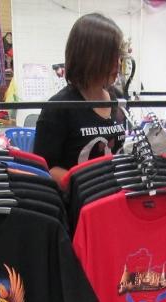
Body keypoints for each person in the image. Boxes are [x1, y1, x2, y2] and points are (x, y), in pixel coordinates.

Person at [33, 13, 126, 188]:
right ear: (92, 57)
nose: (118, 64)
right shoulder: (58, 107)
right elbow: (43, 169)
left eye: (118, 56)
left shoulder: (118, 98)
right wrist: (89, 187)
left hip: (115, 199)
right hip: (77, 203)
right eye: (111, 57)